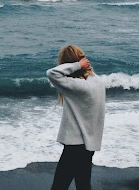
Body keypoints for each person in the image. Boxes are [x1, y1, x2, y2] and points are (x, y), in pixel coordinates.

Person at [46, 44, 106, 190]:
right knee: (83, 185)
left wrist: (77, 65)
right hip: (89, 145)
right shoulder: (97, 82)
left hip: (75, 146)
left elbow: (52, 73)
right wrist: (82, 66)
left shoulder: (78, 87)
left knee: (59, 186)